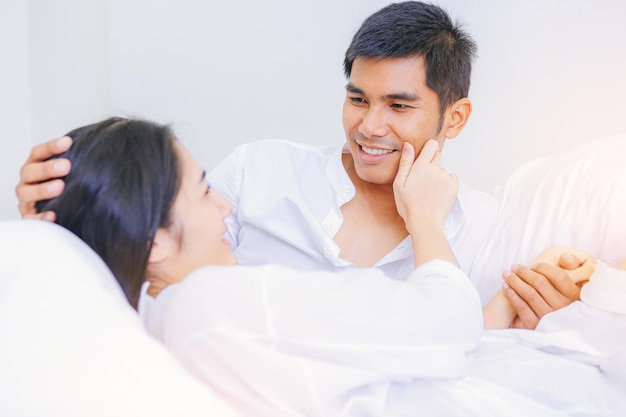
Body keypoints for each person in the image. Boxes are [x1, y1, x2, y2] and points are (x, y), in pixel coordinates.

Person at [14, 1, 578, 326]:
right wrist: (67, 221)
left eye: (398, 106)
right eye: (358, 98)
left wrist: (539, 307)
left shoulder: (483, 230)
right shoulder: (258, 174)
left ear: (454, 119)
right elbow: (149, 264)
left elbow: (458, 350)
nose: (369, 126)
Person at [33, 116, 489, 415]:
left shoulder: (145, 321)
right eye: (205, 190)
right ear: (152, 243)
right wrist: (426, 221)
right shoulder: (211, 302)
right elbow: (449, 324)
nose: (226, 208)